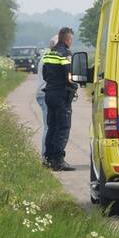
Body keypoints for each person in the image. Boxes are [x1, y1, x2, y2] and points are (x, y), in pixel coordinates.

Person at [41, 27, 77, 171]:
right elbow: (69, 76)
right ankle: (59, 161)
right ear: (68, 39)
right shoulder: (65, 54)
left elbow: (45, 74)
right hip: (62, 95)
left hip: (49, 93)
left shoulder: (50, 53)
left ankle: (48, 159)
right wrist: (75, 84)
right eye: (71, 40)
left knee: (52, 126)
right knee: (63, 127)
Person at [35, 36, 58, 165]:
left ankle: (49, 156)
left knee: (50, 126)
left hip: (43, 93)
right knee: (49, 127)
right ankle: (46, 158)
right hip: (45, 94)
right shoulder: (50, 59)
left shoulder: (46, 56)